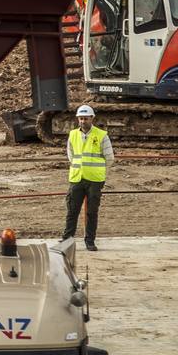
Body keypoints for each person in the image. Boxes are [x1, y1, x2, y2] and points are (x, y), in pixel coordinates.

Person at [62, 104, 114, 251]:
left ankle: (90, 241)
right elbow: (71, 154)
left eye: (85, 118)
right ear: (78, 119)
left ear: (92, 118)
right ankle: (67, 241)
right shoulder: (73, 134)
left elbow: (109, 158)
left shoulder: (101, 135)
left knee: (92, 212)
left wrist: (97, 170)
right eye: (81, 118)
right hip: (77, 178)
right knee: (72, 211)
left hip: (94, 180)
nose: (83, 121)